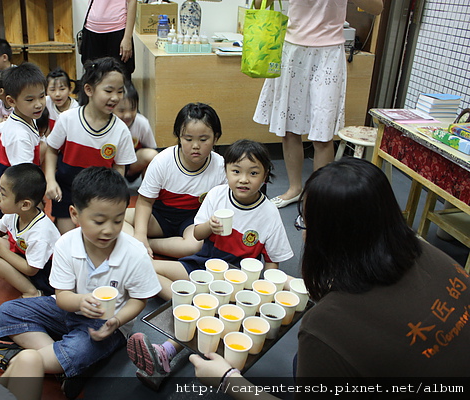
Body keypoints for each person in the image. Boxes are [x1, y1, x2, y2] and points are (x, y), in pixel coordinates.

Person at [190, 158, 470, 398]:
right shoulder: (432, 254)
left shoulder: (325, 326)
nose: (303, 232)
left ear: (327, 239)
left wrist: (229, 380)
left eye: (305, 223)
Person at [0, 167, 161, 398]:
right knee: (9, 311)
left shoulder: (134, 252)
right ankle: (57, 364)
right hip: (68, 310)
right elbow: (62, 297)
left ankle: (25, 359)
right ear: (75, 214)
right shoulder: (65, 245)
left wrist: (117, 320)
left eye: (118, 220)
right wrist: (80, 301)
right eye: (99, 221)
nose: (109, 230)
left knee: (79, 349)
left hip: (106, 327)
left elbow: (139, 299)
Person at [127, 139, 293, 387]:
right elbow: (197, 235)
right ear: (226, 171)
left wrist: (263, 294)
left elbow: (272, 262)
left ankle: (167, 349)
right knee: (146, 268)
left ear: (266, 175)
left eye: (253, 173)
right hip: (204, 266)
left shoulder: (269, 213)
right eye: (236, 171)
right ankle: (190, 308)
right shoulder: (217, 195)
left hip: (235, 283)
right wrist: (209, 226)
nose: (244, 179)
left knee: (213, 313)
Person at [253, 0, 383, 208]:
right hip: (293, 49)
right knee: (289, 129)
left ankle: (316, 197)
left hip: (329, 52)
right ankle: (295, 189)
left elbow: (377, 8)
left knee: (323, 135)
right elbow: (260, 2)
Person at [45, 57, 136, 234]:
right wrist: (50, 179)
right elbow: (51, 150)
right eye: (108, 90)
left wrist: (112, 197)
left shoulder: (121, 130)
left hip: (100, 195)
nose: (115, 97)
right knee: (67, 237)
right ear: (89, 89)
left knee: (99, 238)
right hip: (66, 191)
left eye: (119, 91)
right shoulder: (67, 119)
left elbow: (119, 169)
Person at [124, 102, 226, 258]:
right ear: (179, 136)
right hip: (159, 217)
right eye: (188, 139)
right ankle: (144, 241)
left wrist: (145, 241)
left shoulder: (220, 166)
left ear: (216, 138)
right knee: (114, 217)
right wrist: (140, 234)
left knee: (194, 246)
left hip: (192, 220)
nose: (196, 146)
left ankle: (149, 245)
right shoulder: (162, 161)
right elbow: (145, 202)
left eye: (203, 139)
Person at [0, 163, 60, 297]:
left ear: (24, 204)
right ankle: (25, 284)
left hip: (46, 276)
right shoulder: (15, 214)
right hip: (26, 256)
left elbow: (31, 270)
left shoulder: (40, 234)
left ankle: (32, 292)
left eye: (3, 194)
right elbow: (0, 230)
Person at [0, 62, 46, 220]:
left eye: (42, 96)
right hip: (12, 197)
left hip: (11, 191)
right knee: (16, 233)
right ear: (11, 101)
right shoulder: (19, 135)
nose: (38, 104)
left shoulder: (28, 117)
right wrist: (37, 202)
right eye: (30, 99)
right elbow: (23, 178)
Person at [113, 80, 158, 182]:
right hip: (111, 165)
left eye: (132, 109)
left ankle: (147, 191)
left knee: (152, 155)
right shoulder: (108, 123)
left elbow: (152, 148)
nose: (128, 115)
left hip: (132, 165)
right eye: (121, 110)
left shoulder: (141, 122)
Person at [80, 0, 137, 79]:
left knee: (121, 77)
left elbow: (132, 1)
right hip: (91, 28)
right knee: (92, 78)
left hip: (118, 30)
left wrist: (127, 37)